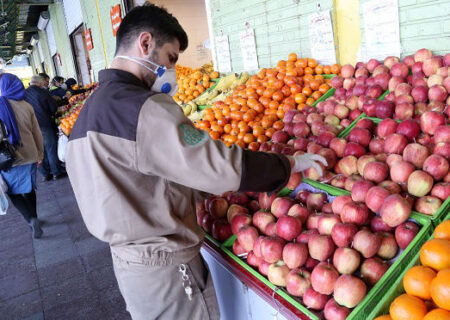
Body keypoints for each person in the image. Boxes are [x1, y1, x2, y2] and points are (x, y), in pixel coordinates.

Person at [65, 4, 326, 320]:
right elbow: (220, 166)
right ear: (145, 44)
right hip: (168, 268)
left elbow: (139, 182)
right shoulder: (141, 108)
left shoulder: (86, 116)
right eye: (170, 58)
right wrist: (287, 165)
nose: (171, 69)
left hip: (131, 266)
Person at [0, 73, 44, 238]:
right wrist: (40, 153)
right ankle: (36, 217)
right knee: (30, 188)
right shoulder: (27, 106)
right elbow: (37, 133)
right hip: (30, 154)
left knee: (13, 192)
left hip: (9, 159)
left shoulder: (0, 105)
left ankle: (31, 218)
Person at [25, 75, 66, 181]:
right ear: (40, 83)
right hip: (44, 124)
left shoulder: (23, 94)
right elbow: (53, 109)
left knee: (38, 149)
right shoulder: (43, 92)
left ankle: (45, 174)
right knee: (50, 148)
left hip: (30, 126)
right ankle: (56, 172)